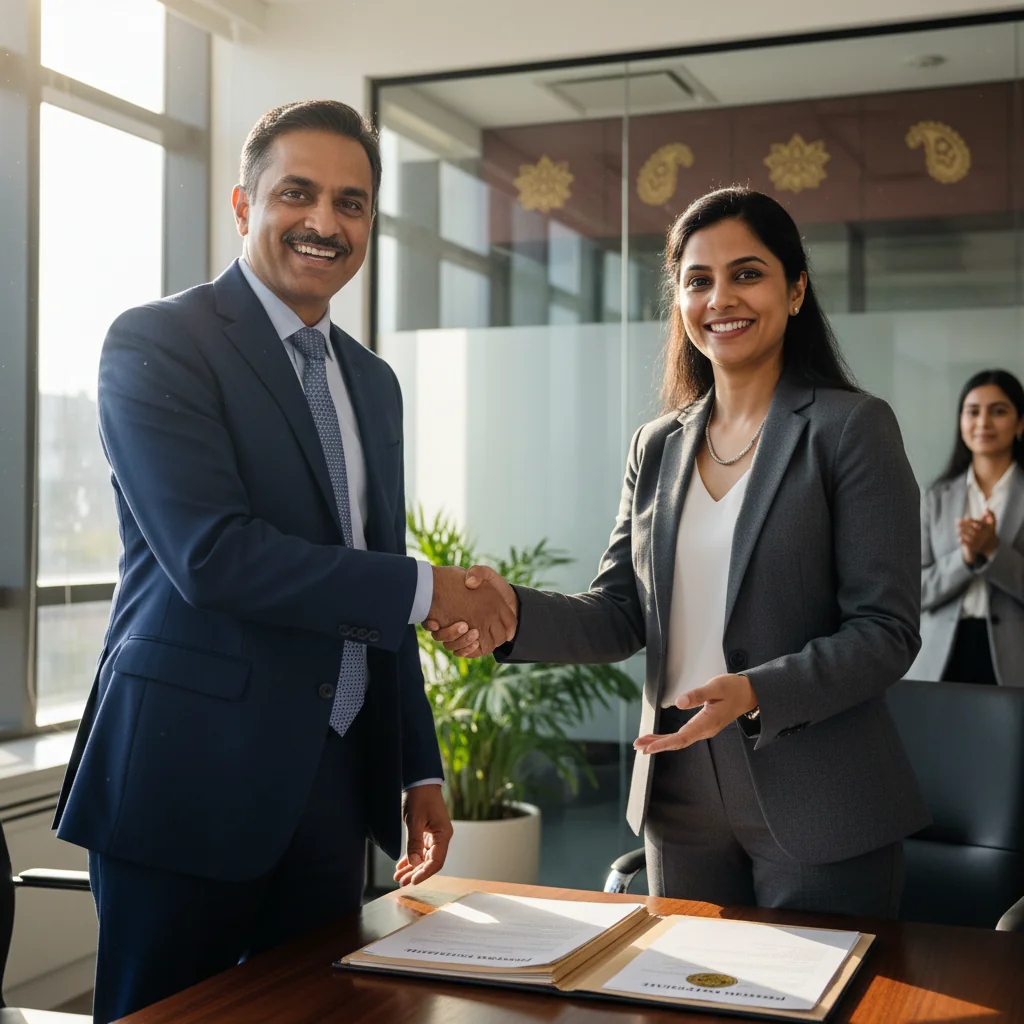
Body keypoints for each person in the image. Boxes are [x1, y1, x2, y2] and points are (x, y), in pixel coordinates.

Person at [52, 100, 515, 1024]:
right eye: (296, 193)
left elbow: (370, 576)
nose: (324, 222)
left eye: (352, 203)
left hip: (333, 786)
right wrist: (431, 590)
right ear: (241, 204)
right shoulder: (158, 342)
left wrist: (417, 765)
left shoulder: (372, 383)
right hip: (187, 777)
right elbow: (213, 556)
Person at [429, 187, 929, 916]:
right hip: (679, 794)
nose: (720, 297)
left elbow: (887, 631)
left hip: (816, 794)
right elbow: (621, 613)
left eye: (747, 273)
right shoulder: (658, 446)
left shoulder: (850, 429)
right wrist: (514, 616)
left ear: (795, 290)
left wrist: (758, 689)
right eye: (698, 280)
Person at [909, 369, 1024, 686]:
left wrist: (993, 551)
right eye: (973, 411)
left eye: (998, 411)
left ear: (1020, 423)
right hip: (939, 658)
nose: (983, 422)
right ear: (961, 422)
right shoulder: (936, 497)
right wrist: (965, 559)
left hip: (1015, 661)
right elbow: (912, 592)